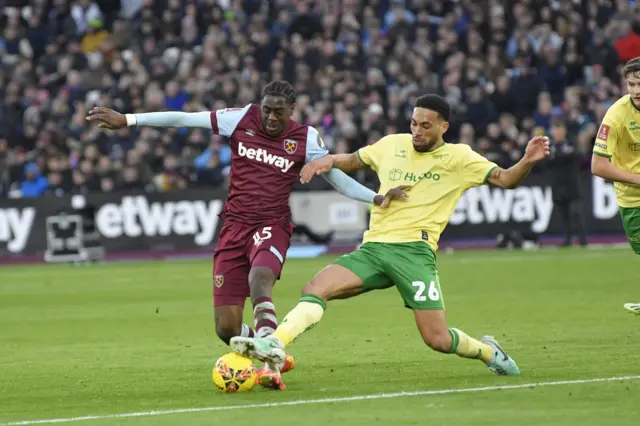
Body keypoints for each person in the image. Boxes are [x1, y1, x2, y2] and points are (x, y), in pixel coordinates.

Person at [86, 80, 408, 387]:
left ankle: (270, 365)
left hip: (272, 225)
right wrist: (129, 120)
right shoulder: (240, 118)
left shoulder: (306, 139)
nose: (270, 117)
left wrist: (376, 198)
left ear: (292, 110)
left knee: (259, 278)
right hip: (233, 228)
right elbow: (185, 118)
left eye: (278, 112)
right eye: (266, 109)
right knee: (226, 328)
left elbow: (337, 178)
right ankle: (271, 348)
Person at [229, 94, 551, 389]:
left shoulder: (459, 158)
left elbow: (506, 179)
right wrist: (328, 160)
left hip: (415, 253)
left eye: (426, 126)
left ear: (444, 126)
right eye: (413, 123)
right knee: (315, 288)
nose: (417, 131)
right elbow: (355, 159)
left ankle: (487, 352)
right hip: (373, 249)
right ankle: (275, 345)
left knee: (437, 339)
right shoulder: (392, 144)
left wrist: (527, 161)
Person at [591, 57, 640, 316]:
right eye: (631, 84)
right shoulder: (617, 114)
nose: (636, 90)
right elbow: (597, 166)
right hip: (633, 199)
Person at [547, 118, 587, 247]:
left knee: (575, 213)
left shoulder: (570, 144)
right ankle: (568, 239)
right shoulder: (550, 147)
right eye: (555, 129)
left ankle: (582, 239)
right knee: (563, 215)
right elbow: (545, 162)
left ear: (564, 131)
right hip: (557, 186)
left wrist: (560, 158)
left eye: (559, 129)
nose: (557, 132)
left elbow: (579, 158)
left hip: (571, 185)